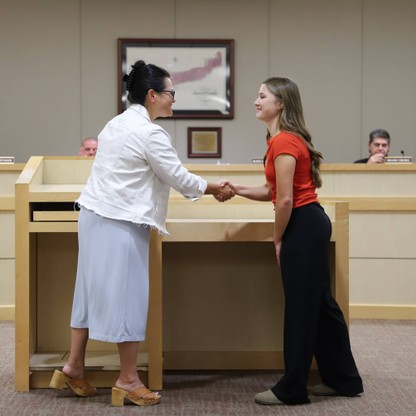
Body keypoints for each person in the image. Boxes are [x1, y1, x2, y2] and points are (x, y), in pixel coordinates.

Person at [49, 60, 234, 407]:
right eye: (170, 93)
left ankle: (74, 366)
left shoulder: (115, 123)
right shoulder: (149, 132)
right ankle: (128, 379)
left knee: (87, 292)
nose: (173, 99)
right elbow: (178, 177)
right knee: (129, 297)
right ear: (152, 95)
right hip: (120, 222)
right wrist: (216, 188)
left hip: (93, 216)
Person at [228, 77, 363, 405]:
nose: (256, 101)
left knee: (302, 309)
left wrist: (277, 239)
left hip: (302, 225)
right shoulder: (279, 141)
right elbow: (273, 192)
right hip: (308, 223)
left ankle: (293, 387)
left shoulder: (284, 142)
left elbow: (285, 201)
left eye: (262, 96)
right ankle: (343, 379)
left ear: (281, 103)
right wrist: (236, 189)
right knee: (319, 305)